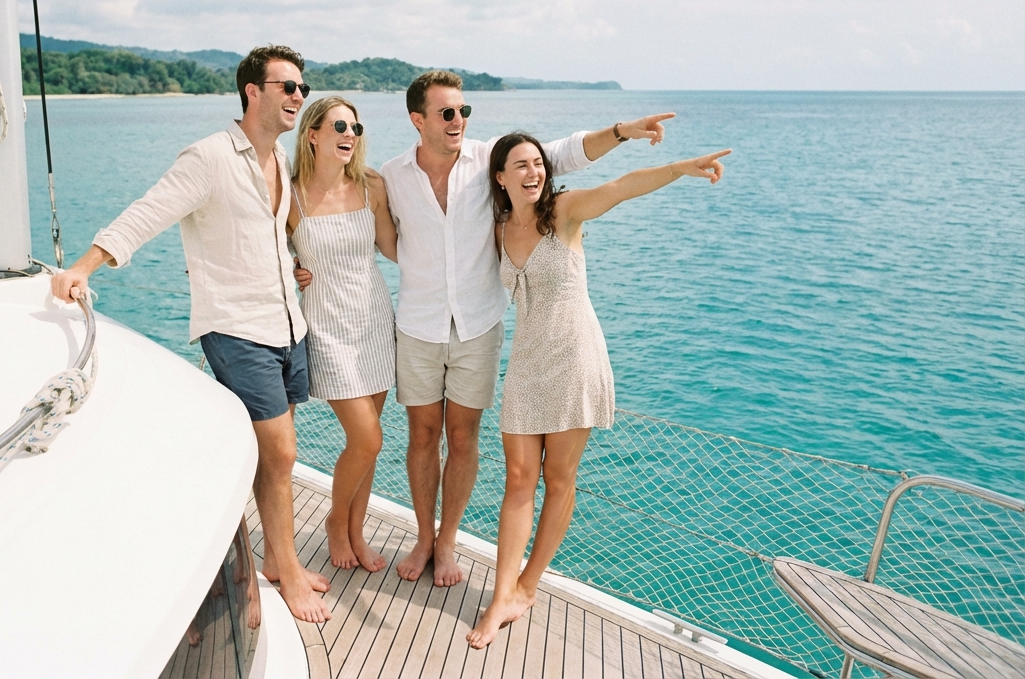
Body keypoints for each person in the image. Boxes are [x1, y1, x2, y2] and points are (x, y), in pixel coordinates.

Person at [49, 44, 333, 624]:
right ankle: (280, 573)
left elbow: (265, 234)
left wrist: (293, 265)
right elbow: (147, 212)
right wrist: (83, 267)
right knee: (281, 452)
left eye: (302, 89)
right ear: (252, 91)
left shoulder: (279, 159)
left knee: (275, 457)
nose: (298, 97)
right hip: (236, 328)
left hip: (287, 323)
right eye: (287, 87)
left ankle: (277, 561)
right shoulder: (208, 158)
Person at [379, 69, 678, 587]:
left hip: (478, 325)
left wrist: (622, 132)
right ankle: (423, 537)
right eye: (447, 112)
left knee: (463, 437)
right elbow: (363, 226)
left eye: (463, 110)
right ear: (417, 120)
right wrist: (302, 262)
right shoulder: (392, 175)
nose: (458, 120)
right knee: (421, 435)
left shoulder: (487, 160)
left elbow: (561, 153)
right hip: (418, 324)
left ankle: (447, 542)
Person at [465, 132, 730, 649]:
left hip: (575, 359)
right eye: (521, 165)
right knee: (518, 479)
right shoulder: (497, 230)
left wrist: (680, 167)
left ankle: (525, 588)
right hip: (527, 364)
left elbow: (621, 187)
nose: (533, 173)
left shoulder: (563, 212)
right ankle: (501, 594)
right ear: (500, 177)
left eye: (538, 163)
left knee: (559, 479)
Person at [288, 95, 398, 572]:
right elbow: (265, 251)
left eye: (354, 127)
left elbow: (394, 248)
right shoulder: (289, 194)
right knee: (367, 439)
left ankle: (356, 532)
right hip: (326, 326)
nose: (350, 134)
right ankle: (336, 523)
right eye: (339, 126)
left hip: (374, 320)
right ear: (312, 134)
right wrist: (290, 270)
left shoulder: (372, 186)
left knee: (369, 443)